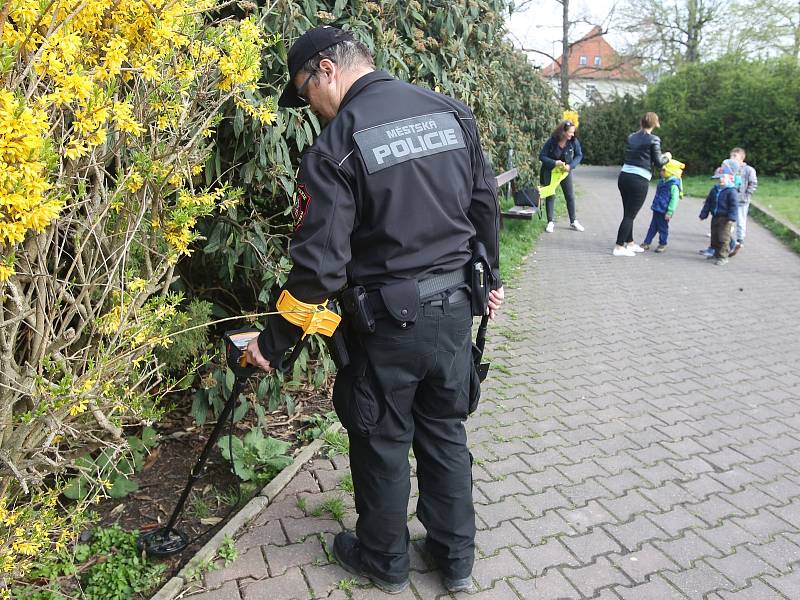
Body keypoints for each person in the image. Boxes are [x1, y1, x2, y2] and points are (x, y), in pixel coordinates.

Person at [244, 26, 504, 595]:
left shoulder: (338, 145)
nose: (309, 108)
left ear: (325, 71)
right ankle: (455, 559)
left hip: (387, 322)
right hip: (458, 307)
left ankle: (384, 561)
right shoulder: (449, 111)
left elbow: (319, 268)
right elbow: (484, 204)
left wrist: (276, 343)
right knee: (445, 429)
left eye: (304, 92)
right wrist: (491, 280)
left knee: (383, 436)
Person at [613, 112, 671, 256]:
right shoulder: (654, 139)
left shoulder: (631, 137)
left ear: (641, 122)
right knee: (630, 215)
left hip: (624, 176)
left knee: (628, 212)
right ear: (655, 124)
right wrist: (667, 157)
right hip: (639, 180)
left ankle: (630, 243)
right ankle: (619, 247)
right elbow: (658, 162)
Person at [539, 119, 584, 233]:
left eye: (573, 132)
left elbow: (579, 155)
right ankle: (550, 222)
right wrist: (554, 163)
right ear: (563, 132)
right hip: (550, 171)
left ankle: (573, 221)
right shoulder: (552, 141)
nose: (572, 134)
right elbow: (542, 156)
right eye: (570, 132)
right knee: (550, 195)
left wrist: (570, 166)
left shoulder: (573, 141)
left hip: (565, 172)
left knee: (570, 196)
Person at [699, 159, 739, 266]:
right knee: (715, 236)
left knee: (723, 238)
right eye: (719, 177)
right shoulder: (715, 189)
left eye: (723, 177)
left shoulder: (731, 191)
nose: (721, 180)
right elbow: (708, 202)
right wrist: (704, 213)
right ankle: (715, 253)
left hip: (726, 218)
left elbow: (734, 206)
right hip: (715, 216)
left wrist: (732, 217)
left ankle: (723, 256)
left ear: (730, 178)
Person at [641, 159, 685, 253]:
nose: (661, 172)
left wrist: (670, 211)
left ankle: (662, 243)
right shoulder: (662, 181)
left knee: (662, 228)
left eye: (663, 170)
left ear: (670, 172)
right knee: (652, 227)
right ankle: (647, 242)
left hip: (665, 211)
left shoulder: (673, 185)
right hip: (657, 208)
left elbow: (674, 200)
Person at [728, 147, 758, 257]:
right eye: (731, 156)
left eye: (734, 156)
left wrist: (746, 195)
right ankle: (727, 238)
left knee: (740, 221)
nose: (732, 158)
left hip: (742, 201)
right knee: (728, 219)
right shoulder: (729, 169)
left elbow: (753, 184)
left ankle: (740, 240)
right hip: (730, 199)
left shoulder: (749, 170)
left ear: (742, 158)